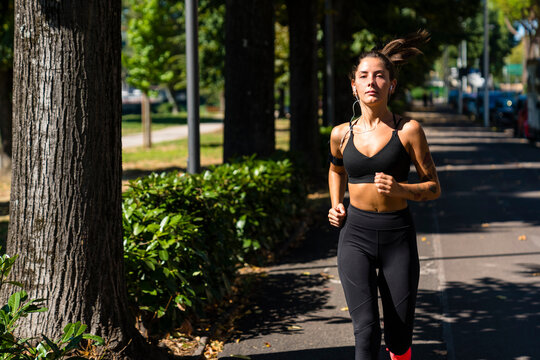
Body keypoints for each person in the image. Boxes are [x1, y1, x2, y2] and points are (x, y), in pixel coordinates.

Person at [327, 30, 441, 360]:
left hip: (397, 237)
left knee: (400, 335)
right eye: (364, 76)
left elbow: (433, 187)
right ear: (354, 85)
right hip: (355, 236)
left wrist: (400, 188)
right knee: (365, 331)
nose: (371, 82)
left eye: (380, 76)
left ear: (392, 85)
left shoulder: (409, 131)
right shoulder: (340, 135)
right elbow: (336, 170)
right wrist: (335, 203)